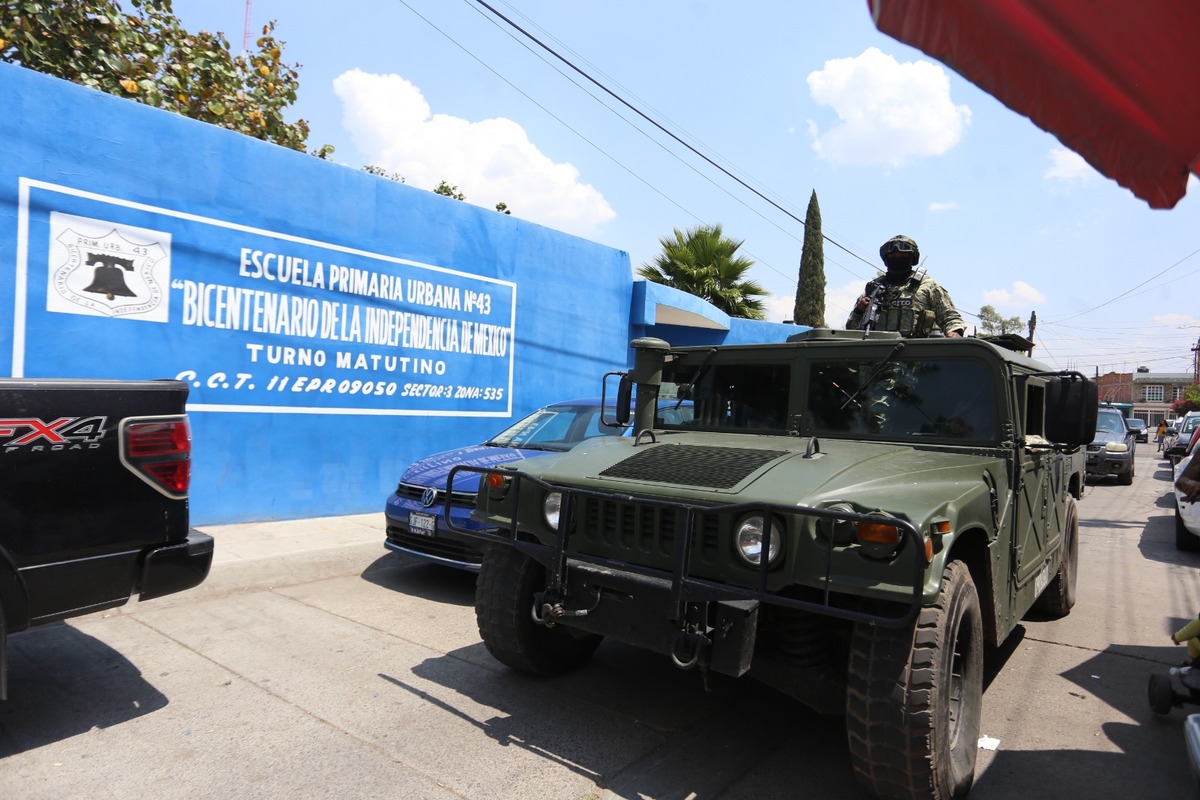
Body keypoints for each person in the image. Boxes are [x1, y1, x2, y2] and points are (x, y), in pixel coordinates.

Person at [845, 235, 966, 338]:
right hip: (877, 357)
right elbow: (851, 329)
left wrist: (954, 332)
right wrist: (859, 310)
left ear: (911, 258)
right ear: (886, 259)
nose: (897, 259)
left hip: (914, 358)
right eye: (892, 256)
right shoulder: (873, 288)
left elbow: (951, 318)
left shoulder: (928, 286)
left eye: (902, 256)